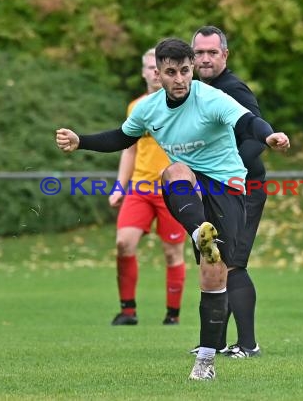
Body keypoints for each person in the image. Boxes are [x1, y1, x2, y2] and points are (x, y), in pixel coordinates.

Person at [56, 37, 290, 380]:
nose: (179, 79)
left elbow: (247, 123)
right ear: (158, 74)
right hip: (191, 186)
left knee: (214, 273)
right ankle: (199, 231)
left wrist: (270, 137)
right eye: (171, 72)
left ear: (191, 69)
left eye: (184, 71)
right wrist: (82, 142)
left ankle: (207, 360)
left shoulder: (211, 97)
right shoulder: (149, 109)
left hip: (228, 187)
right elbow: (121, 138)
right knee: (173, 171)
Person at [190, 25, 267, 358]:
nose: (205, 59)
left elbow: (256, 138)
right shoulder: (195, 91)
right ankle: (215, 342)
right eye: (199, 53)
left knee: (233, 264)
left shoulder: (233, 89)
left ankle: (248, 344)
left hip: (242, 188)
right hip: (212, 190)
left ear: (225, 54)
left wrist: (227, 174)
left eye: (212, 52)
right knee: (214, 262)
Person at [109, 48, 187, 326]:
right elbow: (128, 150)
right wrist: (120, 186)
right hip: (140, 189)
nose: (154, 71)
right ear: (143, 72)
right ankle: (127, 311)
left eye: (158, 66)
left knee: (172, 252)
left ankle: (172, 315)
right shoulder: (136, 107)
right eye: (148, 67)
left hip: (173, 190)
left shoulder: (182, 105)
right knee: (123, 243)